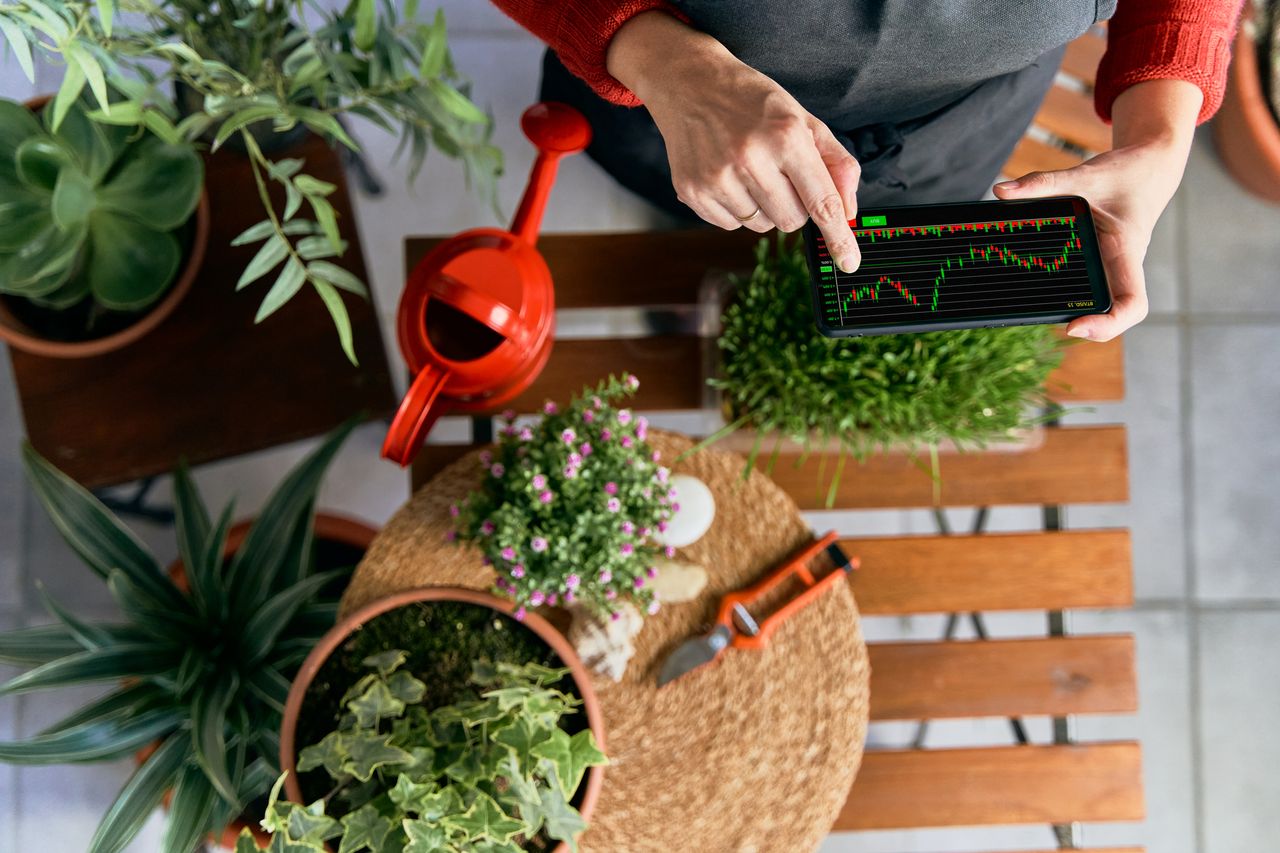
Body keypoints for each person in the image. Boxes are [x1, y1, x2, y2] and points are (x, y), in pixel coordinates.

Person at [489, 0, 1244, 342]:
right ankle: (703, 237)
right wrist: (662, 61)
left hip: (954, 117)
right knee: (705, 203)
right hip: (675, 86)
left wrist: (1161, 134)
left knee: (892, 249)